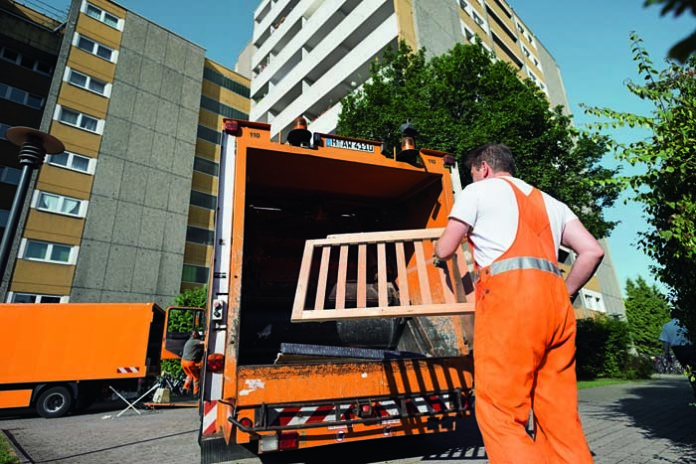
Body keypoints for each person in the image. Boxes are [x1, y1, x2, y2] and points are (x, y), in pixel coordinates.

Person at [434, 144, 604, 463]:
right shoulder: (553, 204)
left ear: (483, 168)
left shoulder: (478, 193)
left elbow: (446, 248)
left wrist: (436, 253)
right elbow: (592, 251)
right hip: (556, 306)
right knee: (559, 418)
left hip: (510, 304)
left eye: (473, 175)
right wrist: (564, 293)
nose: (473, 180)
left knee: (500, 416)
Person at [659, 318, 696, 397]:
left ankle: (694, 385)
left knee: (688, 368)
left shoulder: (667, 326)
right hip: (691, 347)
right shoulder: (688, 324)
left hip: (678, 350)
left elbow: (666, 342)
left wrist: (667, 353)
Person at [181, 330, 204, 397]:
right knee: (196, 377)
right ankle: (196, 393)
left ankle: (185, 389)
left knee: (189, 375)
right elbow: (205, 343)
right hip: (189, 363)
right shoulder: (194, 341)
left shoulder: (188, 341)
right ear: (195, 335)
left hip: (183, 362)